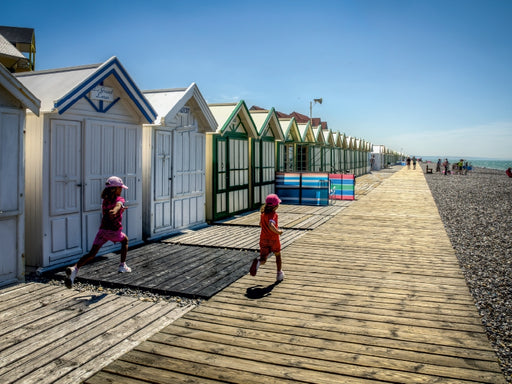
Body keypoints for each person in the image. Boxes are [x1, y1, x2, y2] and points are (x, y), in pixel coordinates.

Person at [65, 176, 131, 288]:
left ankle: (74, 269)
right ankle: (122, 266)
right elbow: (117, 205)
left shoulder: (105, 200)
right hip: (114, 231)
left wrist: (119, 210)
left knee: (92, 253)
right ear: (115, 189)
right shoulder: (120, 199)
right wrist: (115, 211)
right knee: (125, 241)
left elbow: (116, 207)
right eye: (120, 188)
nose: (121, 190)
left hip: (103, 231)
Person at [250, 193, 284, 282]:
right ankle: (279, 274)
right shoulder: (273, 214)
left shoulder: (263, 214)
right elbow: (271, 225)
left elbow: (261, 224)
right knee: (278, 256)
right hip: (273, 239)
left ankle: (258, 262)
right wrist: (278, 232)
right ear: (275, 206)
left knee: (263, 259)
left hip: (263, 239)